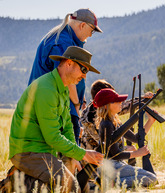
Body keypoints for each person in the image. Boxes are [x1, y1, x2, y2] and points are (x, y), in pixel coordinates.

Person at [9, 46, 103, 192]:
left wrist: (75, 156)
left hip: (45, 152)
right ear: (69, 63)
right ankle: (16, 182)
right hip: (28, 152)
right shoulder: (46, 89)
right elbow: (52, 137)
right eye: (83, 70)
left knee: (76, 185)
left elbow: (67, 128)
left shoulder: (63, 88)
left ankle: (21, 179)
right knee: (71, 187)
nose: (84, 76)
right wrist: (83, 154)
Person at [28, 8, 103, 145]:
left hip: (56, 105)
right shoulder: (63, 42)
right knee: (69, 154)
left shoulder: (63, 37)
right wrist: (76, 104)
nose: (91, 35)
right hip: (57, 107)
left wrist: (82, 98)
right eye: (92, 31)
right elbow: (67, 78)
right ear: (82, 25)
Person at [93, 88, 158, 188]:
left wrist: (151, 121)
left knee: (150, 176)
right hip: (110, 165)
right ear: (106, 105)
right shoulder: (106, 124)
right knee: (151, 178)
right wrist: (137, 153)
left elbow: (136, 138)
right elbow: (115, 155)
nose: (121, 103)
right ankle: (110, 183)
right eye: (117, 101)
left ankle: (109, 181)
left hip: (116, 165)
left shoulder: (115, 122)